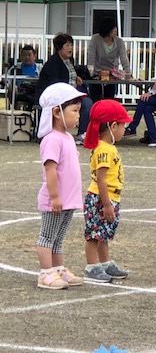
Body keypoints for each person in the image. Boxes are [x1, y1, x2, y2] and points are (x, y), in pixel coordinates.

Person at [35, 83, 87, 289]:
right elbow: (51, 170)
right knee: (47, 236)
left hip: (68, 200)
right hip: (55, 200)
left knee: (58, 238)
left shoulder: (67, 138)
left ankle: (59, 269)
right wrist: (55, 196)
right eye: (74, 111)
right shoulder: (52, 140)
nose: (78, 116)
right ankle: (45, 273)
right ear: (56, 112)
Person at [82, 99, 133, 282]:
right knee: (94, 234)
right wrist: (106, 204)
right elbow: (101, 179)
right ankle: (91, 266)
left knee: (103, 234)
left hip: (110, 198)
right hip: (100, 198)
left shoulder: (108, 148)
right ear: (112, 126)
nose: (124, 129)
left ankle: (104, 263)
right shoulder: (104, 150)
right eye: (122, 125)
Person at [36, 33, 93, 144]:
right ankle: (81, 133)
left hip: (71, 94)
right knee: (86, 103)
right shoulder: (53, 63)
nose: (70, 48)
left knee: (87, 101)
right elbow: (56, 84)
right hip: (58, 97)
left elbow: (69, 74)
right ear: (59, 47)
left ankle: (82, 133)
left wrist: (77, 77)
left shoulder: (69, 61)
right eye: (67, 45)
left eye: (71, 45)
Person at [87, 17, 131, 102]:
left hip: (112, 74)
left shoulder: (119, 42)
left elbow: (124, 59)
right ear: (107, 30)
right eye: (113, 28)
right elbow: (91, 58)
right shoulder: (95, 39)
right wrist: (92, 74)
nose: (116, 30)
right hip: (97, 74)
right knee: (94, 99)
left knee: (109, 99)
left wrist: (128, 73)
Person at [6, 45, 39, 110]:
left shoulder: (39, 68)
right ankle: (16, 109)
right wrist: (12, 85)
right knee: (11, 89)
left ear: (34, 56)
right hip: (19, 91)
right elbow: (7, 78)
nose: (27, 57)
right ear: (21, 56)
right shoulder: (16, 67)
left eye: (29, 55)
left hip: (33, 91)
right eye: (24, 55)